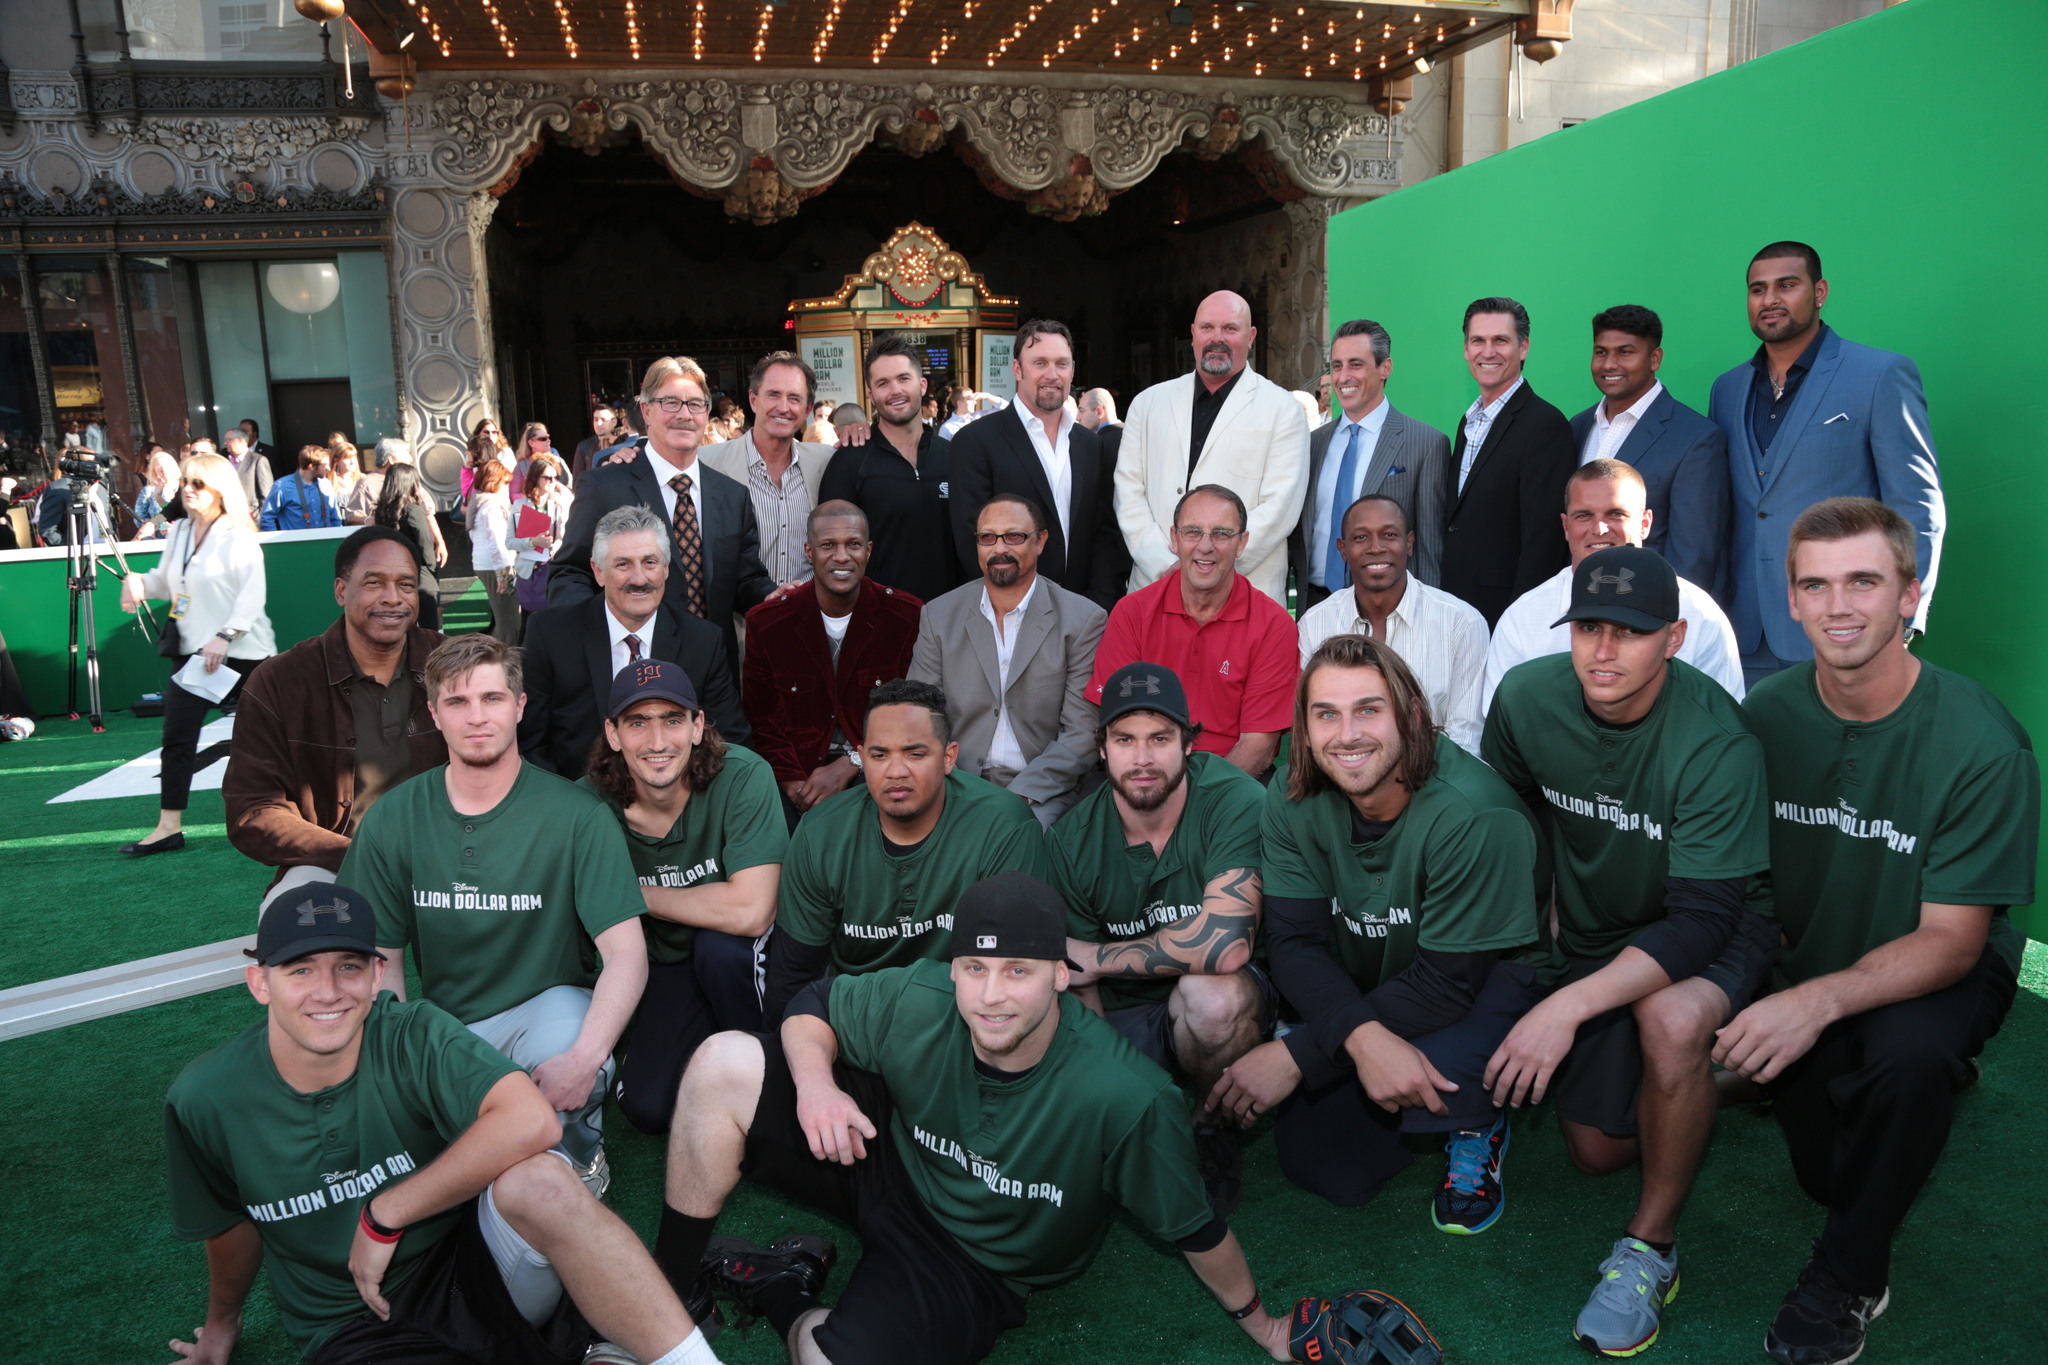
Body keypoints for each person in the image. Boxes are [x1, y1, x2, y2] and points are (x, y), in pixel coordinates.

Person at [656, 872, 1303, 1364]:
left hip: (975, 1259)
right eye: (975, 968)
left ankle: (783, 1289)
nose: (991, 995)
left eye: (1017, 970)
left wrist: (1266, 1325)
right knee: (721, 1062)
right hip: (882, 1147)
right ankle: (669, 1292)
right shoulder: (923, 994)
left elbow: (1197, 1229)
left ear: (1059, 973)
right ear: (955, 967)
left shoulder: (1127, 1096)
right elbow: (813, 1003)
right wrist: (818, 1087)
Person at [1717, 498, 2033, 1365]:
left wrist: (1811, 1005)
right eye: (1814, 584)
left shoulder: (1982, 741)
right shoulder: (1765, 715)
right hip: (1809, 955)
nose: (1839, 605)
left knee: (1910, 1058)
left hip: (1932, 965)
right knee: (1831, 1173)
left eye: (1864, 580)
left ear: (1909, 595)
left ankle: (1850, 1273)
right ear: (1789, 600)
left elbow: (1952, 941)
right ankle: (1870, 1099)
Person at [164, 882, 718, 1365]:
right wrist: (221, 1327)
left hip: (469, 1267)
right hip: (351, 1324)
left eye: (348, 966)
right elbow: (229, 1224)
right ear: (259, 983)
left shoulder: (410, 1030)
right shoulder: (205, 1097)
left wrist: (385, 1215)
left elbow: (533, 1121)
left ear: (378, 972)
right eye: (300, 969)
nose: (328, 990)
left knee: (543, 1178)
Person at [1480, 545, 1776, 1357]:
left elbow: (1703, 920)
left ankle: (1651, 1245)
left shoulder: (1717, 737)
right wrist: (1535, 909)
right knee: (1595, 1149)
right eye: (1587, 628)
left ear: (1674, 638)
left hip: (1709, 923)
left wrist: (1564, 1005)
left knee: (1671, 1017)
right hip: (1591, 922)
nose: (1603, 651)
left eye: (1630, 632)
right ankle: (1726, 1081)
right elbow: (1509, 810)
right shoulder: (1527, 695)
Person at [1212, 634, 1545, 1225]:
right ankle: (1380, 1055)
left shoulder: (1475, 812)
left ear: (1412, 715)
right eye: (1326, 715)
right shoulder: (1291, 794)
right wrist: (1362, 1036)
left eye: (1369, 709)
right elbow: (1293, 941)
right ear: (1305, 730)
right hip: (1374, 978)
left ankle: (1478, 1121)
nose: (1347, 735)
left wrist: (1300, 1054)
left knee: (1440, 1078)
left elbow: (1448, 984)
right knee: (1331, 1170)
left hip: (1480, 982)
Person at [339, 632, 650, 1199]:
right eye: (457, 702)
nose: (476, 717)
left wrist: (585, 1057)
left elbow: (626, 953)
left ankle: (579, 1157)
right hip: (444, 1023)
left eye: (492, 698)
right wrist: (397, 1057)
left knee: (574, 1059)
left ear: (520, 706)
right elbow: (379, 958)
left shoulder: (576, 815)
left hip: (542, 1014)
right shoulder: (394, 817)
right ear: (434, 714)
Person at [1052, 662, 1271, 1212]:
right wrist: (1117, 1098)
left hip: (1225, 1004)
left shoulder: (1232, 798)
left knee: (1212, 997)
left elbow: (1228, 943)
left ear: (1189, 744)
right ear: (1102, 749)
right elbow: (1080, 986)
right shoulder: (1071, 840)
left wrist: (1102, 957)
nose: (1143, 758)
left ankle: (1211, 1124)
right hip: (1127, 1014)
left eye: (1160, 738)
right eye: (1125, 739)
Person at [1708, 242, 1945, 686]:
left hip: (1846, 625)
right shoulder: (1727, 390)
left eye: (1787, 285)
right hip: (1745, 632)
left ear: (1820, 292)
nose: (1770, 299)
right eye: (1757, 289)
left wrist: (1905, 617)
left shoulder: (1879, 374)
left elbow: (1916, 505)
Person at [579, 658, 784, 1136]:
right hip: (660, 964)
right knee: (649, 1108)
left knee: (722, 949)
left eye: (672, 720)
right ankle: (701, 1043)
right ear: (613, 734)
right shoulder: (588, 804)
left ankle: (768, 1061)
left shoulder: (743, 775)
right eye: (638, 723)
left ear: (697, 726)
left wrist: (631, 893)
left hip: (742, 959)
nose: (656, 742)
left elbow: (752, 911)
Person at [762, 679, 1050, 1018]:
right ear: (862, 757)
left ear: (948, 758)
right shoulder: (821, 833)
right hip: (856, 1020)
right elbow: (794, 974)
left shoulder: (1003, 825)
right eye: (879, 755)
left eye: (915, 754)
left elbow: (1013, 972)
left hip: (965, 1020)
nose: (896, 772)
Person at [225, 527, 447, 904]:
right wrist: (355, 855)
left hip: (451, 853)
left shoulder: (453, 664)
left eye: (406, 585)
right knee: (300, 926)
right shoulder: (281, 680)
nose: (393, 599)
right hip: (334, 861)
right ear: (341, 591)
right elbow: (254, 810)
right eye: (374, 583)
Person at [551, 355, 776, 666]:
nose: (684, 414)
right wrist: (602, 635)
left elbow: (744, 580)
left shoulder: (732, 495)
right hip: (630, 670)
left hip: (713, 675)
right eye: (671, 402)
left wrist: (774, 596)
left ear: (707, 413)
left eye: (695, 404)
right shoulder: (603, 487)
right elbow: (569, 574)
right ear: (646, 411)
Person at [1482, 459, 1743, 711]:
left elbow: (1722, 719)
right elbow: (1500, 723)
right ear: (1565, 526)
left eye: (1616, 514)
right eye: (1583, 516)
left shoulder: (1698, 613)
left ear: (1645, 524)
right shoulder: (1523, 616)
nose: (1600, 528)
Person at [911, 494, 1106, 827]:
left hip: (1040, 792)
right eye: (988, 537)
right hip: (954, 786)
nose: (999, 549)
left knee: (1015, 851)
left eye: (1014, 536)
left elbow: (1082, 734)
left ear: (1041, 541)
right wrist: (956, 787)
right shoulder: (938, 616)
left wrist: (1016, 797)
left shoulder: (1082, 620)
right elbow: (920, 718)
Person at [117, 451, 277, 856]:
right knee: (176, 737)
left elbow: (252, 596)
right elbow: (168, 583)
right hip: (194, 655)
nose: (187, 489)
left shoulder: (238, 535)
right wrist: (139, 583)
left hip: (244, 654)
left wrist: (224, 637)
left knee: (275, 739)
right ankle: (168, 826)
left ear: (220, 490)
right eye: (185, 481)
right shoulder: (181, 533)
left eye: (198, 483)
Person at [520, 504, 747, 780]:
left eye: (650, 562)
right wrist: (571, 809)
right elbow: (530, 743)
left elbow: (730, 740)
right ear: (598, 571)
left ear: (665, 569)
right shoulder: (550, 635)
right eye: (623, 564)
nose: (639, 579)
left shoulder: (703, 641)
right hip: (577, 805)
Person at [1114, 290, 1309, 604]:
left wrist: (1210, 567)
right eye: (1207, 327)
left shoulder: (1282, 408)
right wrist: (1167, 565)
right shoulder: (1147, 404)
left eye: (1230, 329)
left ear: (1251, 336)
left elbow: (1280, 508)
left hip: (1246, 589)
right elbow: (1128, 492)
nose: (1217, 338)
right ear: (1193, 334)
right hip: (1156, 583)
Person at [1088, 485, 1297, 779]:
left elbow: (1258, 746)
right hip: (1144, 775)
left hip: (1231, 781)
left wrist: (1199, 803)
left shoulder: (1273, 625)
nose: (1206, 546)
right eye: (1193, 532)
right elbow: (1117, 725)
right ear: (1174, 539)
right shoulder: (1132, 612)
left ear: (1242, 543)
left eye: (1222, 534)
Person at [743, 501, 921, 823]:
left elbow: (912, 714)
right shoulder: (767, 622)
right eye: (828, 545)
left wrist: (854, 761)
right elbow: (762, 720)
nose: (841, 557)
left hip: (878, 771)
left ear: (868, 551)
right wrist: (793, 783)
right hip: (792, 780)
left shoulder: (906, 616)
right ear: (809, 552)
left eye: (853, 544)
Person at [944, 320, 1125, 612]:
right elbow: (971, 539)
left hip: (1083, 615)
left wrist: (1096, 606)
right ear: (1017, 369)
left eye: (1061, 363)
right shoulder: (975, 441)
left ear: (1073, 370)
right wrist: (1013, 611)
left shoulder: (1090, 445)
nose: (1052, 375)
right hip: (1008, 616)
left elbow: (1103, 532)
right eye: (1040, 363)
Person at [1297, 494, 1488, 756]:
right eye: (1361, 537)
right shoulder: (1317, 623)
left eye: (1388, 535)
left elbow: (1464, 739)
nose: (1376, 547)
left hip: (1433, 784)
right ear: (1342, 549)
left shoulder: (1462, 623)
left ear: (1408, 543)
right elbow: (1314, 726)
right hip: (1342, 775)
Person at [1570, 305, 1730, 604]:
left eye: (1625, 352)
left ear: (1655, 358)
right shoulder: (1577, 428)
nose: (1609, 364)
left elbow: (1693, 558)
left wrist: (1660, 624)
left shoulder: (1695, 438)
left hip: (1646, 613)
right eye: (1601, 352)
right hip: (1579, 607)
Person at [1291, 319, 1451, 604]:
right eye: (1337, 366)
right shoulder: (1312, 444)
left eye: (1356, 364)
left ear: (1384, 368)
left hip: (1388, 608)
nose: (1343, 377)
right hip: (1314, 606)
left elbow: (1429, 550)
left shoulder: (1425, 444)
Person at [1440, 296, 1577, 626]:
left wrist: (1520, 623)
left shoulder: (1545, 425)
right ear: (1466, 349)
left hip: (1506, 614)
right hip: (1458, 607)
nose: (1488, 352)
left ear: (1524, 347)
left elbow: (1544, 544)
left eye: (1500, 340)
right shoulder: (1469, 422)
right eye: (1478, 341)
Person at [817, 334, 962, 603]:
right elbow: (831, 554)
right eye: (883, 383)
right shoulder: (850, 461)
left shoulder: (953, 457)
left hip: (950, 621)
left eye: (903, 379)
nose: (895, 390)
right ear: (871, 395)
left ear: (922, 385)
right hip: (879, 624)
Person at [698, 351, 836, 588]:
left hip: (808, 617)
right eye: (773, 395)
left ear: (807, 409)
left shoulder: (826, 461)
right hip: (741, 621)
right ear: (753, 400)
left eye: (794, 398)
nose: (783, 407)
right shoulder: (706, 462)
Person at [372, 462, 443, 629]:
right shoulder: (413, 510)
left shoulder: (380, 512)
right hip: (419, 576)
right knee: (429, 629)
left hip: (392, 578)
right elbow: (425, 544)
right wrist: (432, 569)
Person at [511, 452, 574, 622]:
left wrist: (556, 545)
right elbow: (509, 542)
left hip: (553, 569)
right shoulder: (520, 505)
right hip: (529, 571)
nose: (553, 482)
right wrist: (533, 542)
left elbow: (566, 535)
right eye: (548, 478)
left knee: (555, 621)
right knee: (529, 622)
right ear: (536, 478)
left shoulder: (560, 503)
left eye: (556, 477)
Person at [468, 455, 521, 644]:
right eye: (505, 482)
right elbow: (496, 539)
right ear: (495, 481)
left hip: (488, 563)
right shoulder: (491, 504)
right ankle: (503, 664)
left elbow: (478, 536)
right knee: (509, 622)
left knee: (506, 620)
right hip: (497, 565)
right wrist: (502, 572)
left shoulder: (479, 500)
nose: (507, 486)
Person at [260, 446, 343, 531]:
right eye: (325, 465)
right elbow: (267, 518)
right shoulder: (282, 486)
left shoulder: (326, 484)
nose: (329, 469)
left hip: (327, 540)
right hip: (296, 542)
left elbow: (335, 517)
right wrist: (278, 542)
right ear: (311, 466)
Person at [220, 425, 275, 508]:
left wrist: (262, 517)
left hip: (252, 515)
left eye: (228, 440)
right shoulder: (225, 461)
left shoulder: (258, 460)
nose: (225, 443)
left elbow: (267, 493)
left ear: (240, 440)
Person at [133, 446, 180, 538]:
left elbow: (178, 514)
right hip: (156, 541)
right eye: (158, 467)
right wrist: (151, 526)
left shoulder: (183, 488)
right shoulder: (149, 490)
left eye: (166, 466)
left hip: (180, 537)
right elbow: (138, 517)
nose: (162, 470)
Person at [513, 422, 567, 492]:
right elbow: (514, 493)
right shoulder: (522, 466)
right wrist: (531, 499)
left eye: (548, 437)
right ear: (531, 443)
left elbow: (570, 485)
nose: (548, 441)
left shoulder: (558, 460)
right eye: (543, 438)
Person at [573, 405, 620, 476]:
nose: (599, 424)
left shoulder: (623, 442)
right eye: (596, 420)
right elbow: (577, 477)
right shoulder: (584, 446)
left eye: (603, 420)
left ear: (614, 422)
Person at [327, 438, 364, 513]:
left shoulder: (363, 479)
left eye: (354, 458)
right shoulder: (328, 482)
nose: (352, 462)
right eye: (347, 458)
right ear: (336, 460)